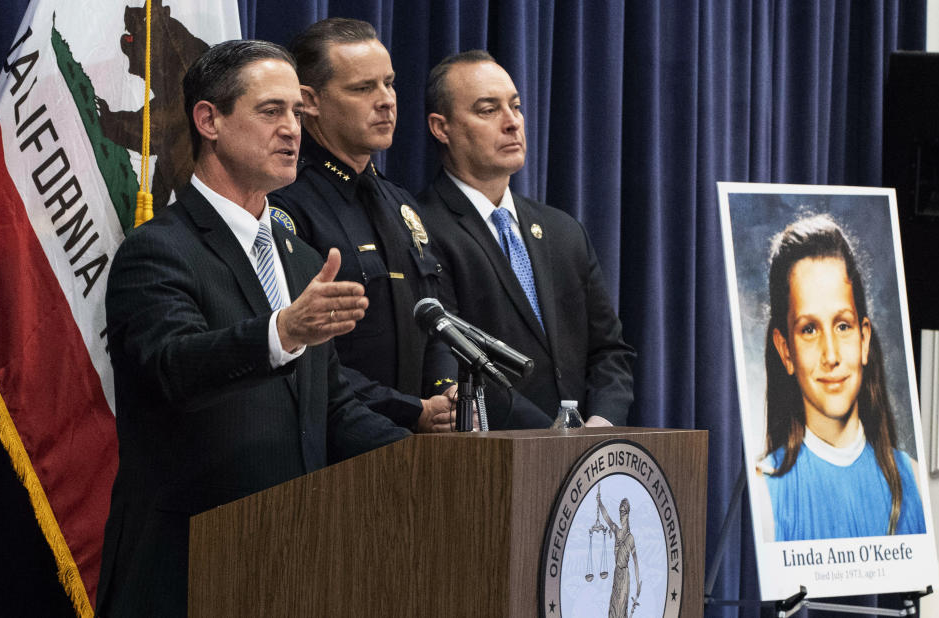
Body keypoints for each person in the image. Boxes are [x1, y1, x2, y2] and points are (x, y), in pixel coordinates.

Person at [95, 40, 410, 617]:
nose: (293, 129)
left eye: (297, 111)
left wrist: (424, 463)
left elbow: (330, 405)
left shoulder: (302, 259)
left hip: (293, 566)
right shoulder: (158, 251)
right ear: (209, 119)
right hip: (186, 570)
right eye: (271, 111)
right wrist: (281, 331)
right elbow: (173, 365)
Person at [416, 50, 635, 428]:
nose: (512, 122)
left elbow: (609, 351)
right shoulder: (422, 227)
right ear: (441, 127)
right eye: (488, 110)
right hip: (496, 458)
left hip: (584, 460)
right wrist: (552, 435)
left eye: (515, 107)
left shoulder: (564, 230)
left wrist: (601, 422)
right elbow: (448, 358)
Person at [269, 18, 456, 433]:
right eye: (363, 88)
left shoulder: (401, 204)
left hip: (417, 445)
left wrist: (445, 392)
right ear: (309, 101)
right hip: (338, 448)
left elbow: (438, 316)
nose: (387, 100)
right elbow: (305, 354)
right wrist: (410, 409)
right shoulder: (286, 207)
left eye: (389, 83)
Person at [756, 213, 925, 541]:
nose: (831, 355)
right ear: (785, 350)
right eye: (809, 329)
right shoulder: (766, 490)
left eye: (843, 325)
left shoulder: (913, 481)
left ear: (864, 340)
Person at [596, 490, 641, 618]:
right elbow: (606, 518)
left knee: (621, 607)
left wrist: (638, 584)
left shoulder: (630, 538)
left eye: (623, 512)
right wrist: (600, 503)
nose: (621, 515)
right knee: (614, 606)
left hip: (625, 575)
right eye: (620, 512)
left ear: (628, 514)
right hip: (617, 574)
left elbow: (636, 563)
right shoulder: (616, 531)